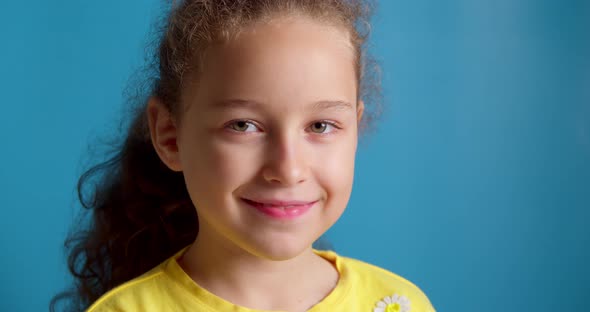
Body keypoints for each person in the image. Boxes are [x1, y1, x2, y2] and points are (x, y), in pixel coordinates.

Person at [52, 1, 436, 311]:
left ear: (355, 130)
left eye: (320, 126)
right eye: (243, 126)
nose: (288, 169)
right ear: (170, 137)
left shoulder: (402, 305)